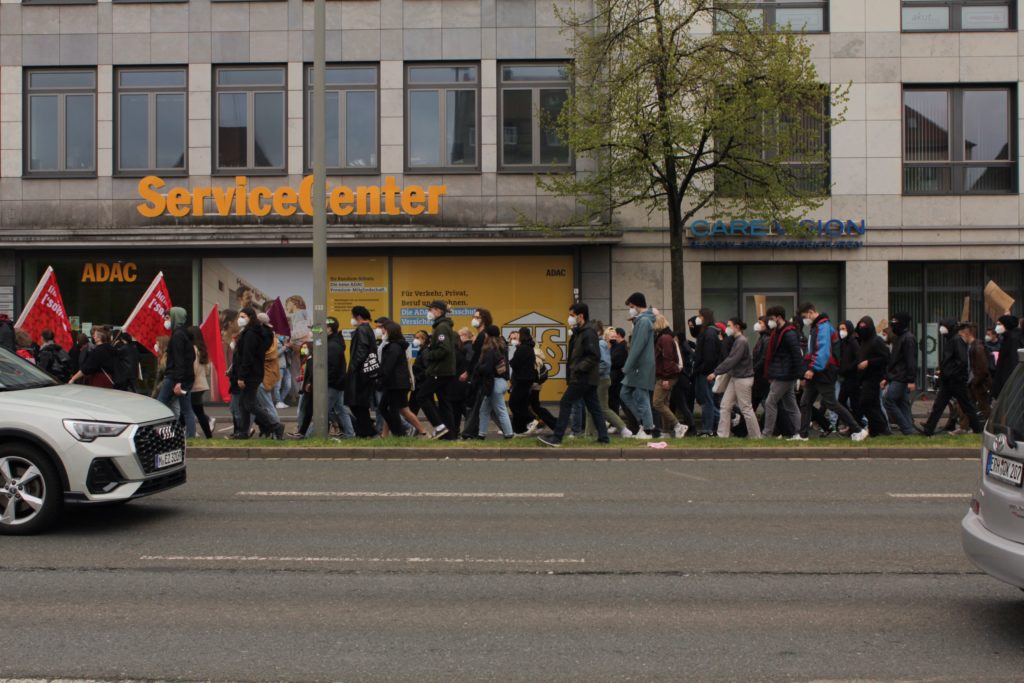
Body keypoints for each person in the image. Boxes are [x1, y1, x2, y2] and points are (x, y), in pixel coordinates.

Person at [794, 303, 868, 442]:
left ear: (810, 313)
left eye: (805, 317)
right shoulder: (817, 327)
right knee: (805, 402)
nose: (805, 320)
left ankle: (858, 429)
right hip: (819, 371)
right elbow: (815, 351)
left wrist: (811, 368)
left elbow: (823, 351)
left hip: (823, 371)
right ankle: (803, 435)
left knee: (831, 403)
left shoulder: (822, 327)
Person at [540, 303, 609, 447]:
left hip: (583, 377)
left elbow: (593, 356)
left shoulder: (588, 333)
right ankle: (604, 437)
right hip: (587, 378)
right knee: (594, 407)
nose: (569, 318)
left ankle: (557, 437)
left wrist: (577, 369)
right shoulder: (582, 332)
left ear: (580, 316)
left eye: (572, 315)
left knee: (566, 402)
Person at [918, 318, 982, 436]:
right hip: (950, 380)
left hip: (955, 380)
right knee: (940, 405)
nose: (941, 329)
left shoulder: (956, 340)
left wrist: (950, 373)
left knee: (965, 405)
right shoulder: (953, 340)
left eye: (944, 326)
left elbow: (961, 361)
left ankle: (978, 429)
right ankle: (928, 429)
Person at [229, 307, 283, 440]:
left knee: (249, 404)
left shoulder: (250, 334)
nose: (240, 319)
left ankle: (275, 425)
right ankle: (243, 432)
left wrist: (242, 376)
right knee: (243, 404)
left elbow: (247, 357)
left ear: (250, 317)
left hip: (250, 375)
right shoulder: (253, 332)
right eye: (239, 316)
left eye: (243, 316)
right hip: (253, 373)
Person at [708, 318, 760, 439]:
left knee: (746, 408)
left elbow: (732, 359)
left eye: (729, 325)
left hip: (742, 379)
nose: (727, 328)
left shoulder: (741, 341)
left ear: (736, 327)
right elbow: (732, 359)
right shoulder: (739, 340)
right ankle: (722, 435)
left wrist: (716, 372)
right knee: (725, 406)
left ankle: (756, 437)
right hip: (737, 377)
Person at [378, 320, 427, 438]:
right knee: (392, 409)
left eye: (385, 330)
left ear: (391, 332)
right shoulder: (395, 345)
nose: (383, 331)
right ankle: (421, 431)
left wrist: (380, 379)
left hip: (396, 383)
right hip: (396, 383)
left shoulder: (394, 347)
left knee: (392, 409)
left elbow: (388, 366)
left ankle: (400, 433)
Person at [761, 306, 803, 438]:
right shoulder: (779, 332)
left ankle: (767, 433)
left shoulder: (788, 333)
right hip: (783, 373)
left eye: (772, 319)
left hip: (784, 375)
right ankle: (799, 433)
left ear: (779, 317)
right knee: (791, 405)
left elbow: (796, 355)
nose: (770, 322)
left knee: (770, 402)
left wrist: (801, 375)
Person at [619, 292, 656, 440]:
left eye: (632, 306)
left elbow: (637, 347)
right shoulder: (643, 320)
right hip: (639, 365)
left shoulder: (643, 321)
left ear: (638, 305)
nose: (630, 309)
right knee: (626, 394)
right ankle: (646, 424)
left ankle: (647, 429)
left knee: (641, 396)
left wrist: (627, 366)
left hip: (640, 365)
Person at [156, 307, 197, 437]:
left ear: (175, 318)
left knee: (160, 404)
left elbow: (179, 359)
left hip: (175, 377)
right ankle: (190, 436)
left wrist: (178, 381)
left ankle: (159, 434)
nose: (165, 321)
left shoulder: (177, 336)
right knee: (186, 409)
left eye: (168, 318)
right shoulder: (185, 334)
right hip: (184, 377)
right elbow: (190, 358)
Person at [420, 300, 457, 439]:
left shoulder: (441, 327)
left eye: (431, 309)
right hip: (445, 371)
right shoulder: (443, 326)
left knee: (421, 396)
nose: (429, 312)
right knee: (444, 401)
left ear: (439, 311)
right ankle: (450, 435)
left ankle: (440, 426)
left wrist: (429, 354)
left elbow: (444, 349)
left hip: (439, 371)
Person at [586, 327, 630, 438]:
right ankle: (589, 434)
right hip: (602, 379)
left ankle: (623, 428)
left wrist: (593, 372)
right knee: (592, 407)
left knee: (602, 407)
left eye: (615, 336)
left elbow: (605, 363)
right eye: (611, 336)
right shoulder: (604, 345)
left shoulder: (602, 344)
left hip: (601, 379)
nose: (614, 338)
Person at [474, 324, 514, 439]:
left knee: (501, 410)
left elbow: (487, 368)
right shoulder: (502, 346)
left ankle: (509, 434)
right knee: (484, 410)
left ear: (488, 335)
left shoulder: (490, 349)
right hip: (500, 382)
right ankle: (481, 434)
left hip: (493, 383)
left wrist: (478, 368)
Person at [854, 317, 891, 437]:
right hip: (865, 377)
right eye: (860, 326)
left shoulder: (877, 341)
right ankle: (876, 431)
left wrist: (869, 362)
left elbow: (885, 357)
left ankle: (881, 427)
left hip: (874, 377)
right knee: (873, 404)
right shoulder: (864, 341)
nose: (862, 329)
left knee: (865, 402)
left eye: (864, 326)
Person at [882, 312, 918, 435]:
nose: (893, 324)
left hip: (900, 377)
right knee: (902, 403)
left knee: (888, 400)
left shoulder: (907, 338)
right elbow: (895, 360)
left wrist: (911, 380)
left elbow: (911, 361)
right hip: (897, 376)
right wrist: (887, 378)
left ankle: (907, 428)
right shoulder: (900, 337)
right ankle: (909, 429)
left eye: (895, 321)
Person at [460, 308, 494, 439]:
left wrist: (468, 372)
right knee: (488, 407)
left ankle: (469, 432)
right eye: (474, 316)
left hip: (480, 375)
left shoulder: (482, 335)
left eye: (477, 317)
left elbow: (477, 357)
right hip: (481, 374)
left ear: (484, 319)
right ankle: (509, 432)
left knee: (475, 406)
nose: (474, 319)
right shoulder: (482, 335)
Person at [345, 306, 378, 437]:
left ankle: (366, 432)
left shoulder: (362, 330)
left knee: (357, 404)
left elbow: (361, 351)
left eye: (353, 316)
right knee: (360, 405)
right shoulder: (368, 329)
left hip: (359, 374)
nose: (352, 319)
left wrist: (353, 368)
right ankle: (365, 431)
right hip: (365, 372)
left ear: (358, 316)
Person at [653, 314, 686, 438]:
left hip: (666, 376)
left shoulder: (664, 338)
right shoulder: (667, 336)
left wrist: (665, 378)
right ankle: (666, 431)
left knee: (657, 403)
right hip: (669, 374)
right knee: (664, 403)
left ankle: (678, 426)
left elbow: (668, 359)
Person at [693, 307, 722, 436]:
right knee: (707, 401)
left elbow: (709, 356)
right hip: (706, 371)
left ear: (704, 317)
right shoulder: (710, 332)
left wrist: (702, 369)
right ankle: (711, 427)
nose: (698, 318)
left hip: (706, 373)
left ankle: (708, 428)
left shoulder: (709, 333)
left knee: (707, 402)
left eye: (699, 316)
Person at [509, 327, 540, 434]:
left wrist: (512, 362)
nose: (515, 338)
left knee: (513, 403)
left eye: (517, 335)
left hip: (522, 379)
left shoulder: (523, 348)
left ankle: (531, 419)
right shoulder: (529, 347)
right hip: (527, 379)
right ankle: (520, 429)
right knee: (521, 404)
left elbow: (514, 363)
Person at [962, 324, 992, 425]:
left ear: (967, 333)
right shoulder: (972, 346)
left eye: (962, 333)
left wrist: (976, 380)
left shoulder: (977, 347)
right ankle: (964, 426)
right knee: (968, 404)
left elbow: (983, 367)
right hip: (973, 381)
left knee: (983, 406)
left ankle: (991, 426)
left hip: (978, 382)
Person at [188, 326, 214, 439]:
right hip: (202, 384)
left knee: (190, 411)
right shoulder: (202, 350)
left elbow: (191, 369)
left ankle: (192, 433)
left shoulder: (191, 350)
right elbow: (208, 369)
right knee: (198, 411)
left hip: (193, 385)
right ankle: (207, 435)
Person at [836, 319, 862, 431]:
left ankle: (857, 425)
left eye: (843, 329)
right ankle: (854, 423)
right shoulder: (844, 342)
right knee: (841, 401)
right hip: (846, 377)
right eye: (840, 329)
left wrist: (848, 368)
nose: (841, 331)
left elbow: (858, 358)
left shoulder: (853, 341)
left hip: (853, 377)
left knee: (853, 403)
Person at [992, 314, 1024, 399]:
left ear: (1006, 325)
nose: (997, 327)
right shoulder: (1008, 338)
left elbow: (1013, 362)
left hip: (1009, 383)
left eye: (999, 324)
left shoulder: (1013, 339)